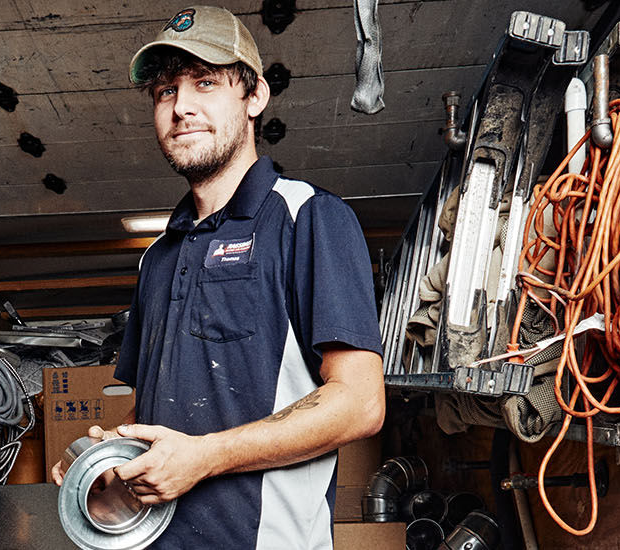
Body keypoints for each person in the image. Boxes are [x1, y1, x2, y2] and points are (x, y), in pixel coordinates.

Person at [51, 6, 386, 549]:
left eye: (205, 83)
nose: (181, 107)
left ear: (254, 98)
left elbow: (361, 402)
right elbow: (154, 407)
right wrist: (111, 454)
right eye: (165, 92)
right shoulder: (158, 256)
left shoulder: (309, 218)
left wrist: (205, 457)